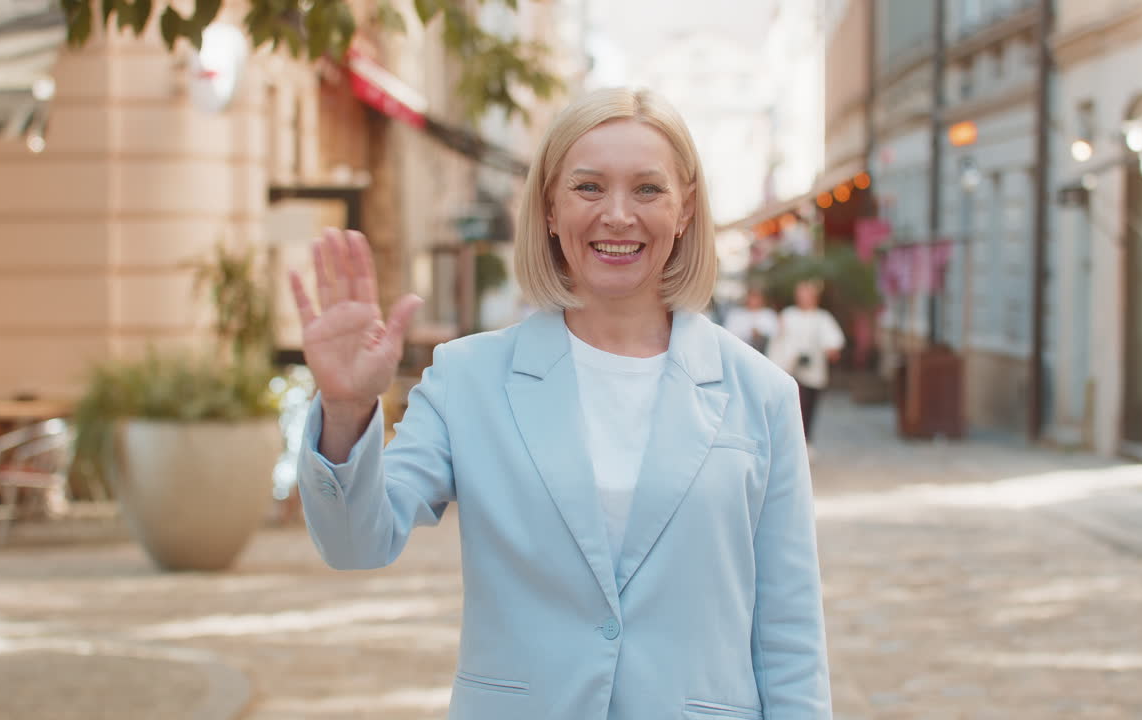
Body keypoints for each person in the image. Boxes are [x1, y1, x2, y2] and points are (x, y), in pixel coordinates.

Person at [288, 87, 831, 719]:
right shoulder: (468, 380)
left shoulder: (761, 394)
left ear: (685, 210)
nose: (618, 215)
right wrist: (349, 410)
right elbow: (357, 543)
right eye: (589, 187)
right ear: (549, 208)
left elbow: (789, 634)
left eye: (648, 190)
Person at [768, 278, 845, 446]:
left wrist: (831, 350)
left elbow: (832, 341)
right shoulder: (788, 315)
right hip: (790, 370)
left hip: (813, 372)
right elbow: (777, 340)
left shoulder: (822, 317)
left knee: (809, 409)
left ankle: (805, 442)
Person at [722, 286, 779, 355]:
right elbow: (728, 334)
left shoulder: (769, 315)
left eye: (756, 297)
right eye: (752, 296)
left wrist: (760, 334)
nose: (753, 300)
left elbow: (775, 335)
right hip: (740, 352)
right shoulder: (736, 314)